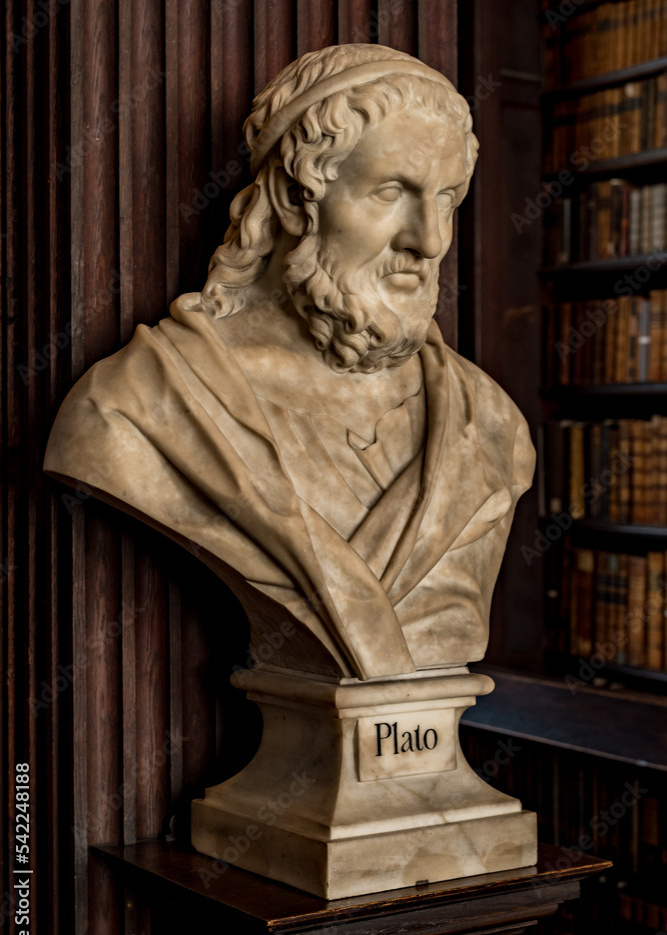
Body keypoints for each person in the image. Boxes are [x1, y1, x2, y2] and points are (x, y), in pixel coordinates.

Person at [44, 43, 535, 682]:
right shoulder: (135, 407)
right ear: (290, 197)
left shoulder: (491, 423)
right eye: (392, 191)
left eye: (446, 198)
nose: (430, 240)